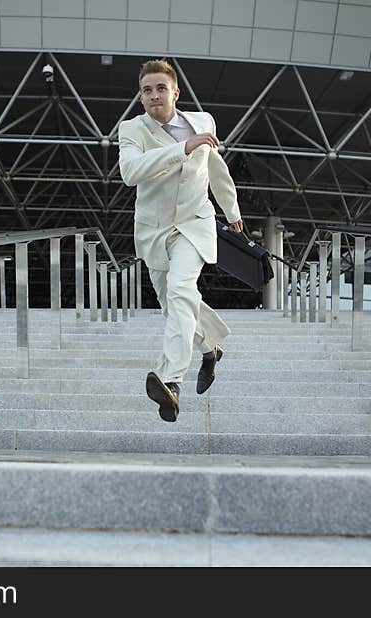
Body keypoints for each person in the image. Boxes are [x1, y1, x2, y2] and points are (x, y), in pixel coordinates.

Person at [118, 58, 243, 422]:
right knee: (174, 304)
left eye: (160, 88)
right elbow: (130, 172)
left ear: (175, 92)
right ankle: (211, 348)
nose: (154, 95)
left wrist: (232, 211)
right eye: (146, 90)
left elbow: (216, 169)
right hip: (154, 231)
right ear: (141, 97)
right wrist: (182, 149)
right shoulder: (132, 130)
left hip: (194, 222)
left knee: (180, 290)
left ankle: (171, 380)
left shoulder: (202, 122)